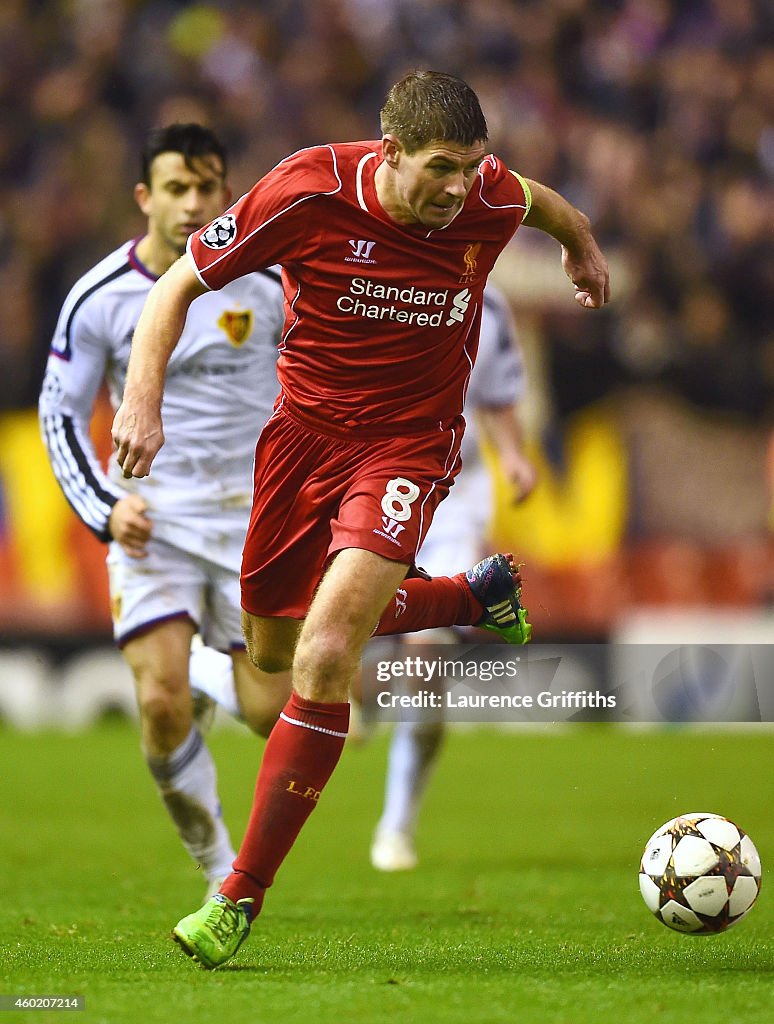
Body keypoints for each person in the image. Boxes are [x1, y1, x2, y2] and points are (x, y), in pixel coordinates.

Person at [112, 71, 609, 969]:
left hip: (407, 450)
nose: (460, 189)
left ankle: (237, 899)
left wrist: (583, 250)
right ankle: (467, 597)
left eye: (473, 168)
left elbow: (542, 202)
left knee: (328, 651)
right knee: (271, 656)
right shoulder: (307, 191)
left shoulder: (487, 198)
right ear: (390, 154)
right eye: (442, 169)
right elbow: (174, 287)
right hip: (299, 446)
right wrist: (142, 402)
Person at [39, 123, 292, 898]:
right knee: (157, 701)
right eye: (175, 189)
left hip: (253, 523)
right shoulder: (99, 297)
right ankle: (220, 869)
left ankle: (209, 672)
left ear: (226, 193)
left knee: (269, 713)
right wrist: (105, 510)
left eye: (206, 188)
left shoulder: (274, 282)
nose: (191, 204)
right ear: (145, 197)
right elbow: (59, 415)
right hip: (152, 523)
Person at [370, 282, 537, 872]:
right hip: (368, 489)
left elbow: (496, 394)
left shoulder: (489, 303)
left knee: (424, 662)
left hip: (453, 499)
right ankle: (362, 694)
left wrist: (512, 454)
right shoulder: (367, 281)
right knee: (343, 659)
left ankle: (396, 824)